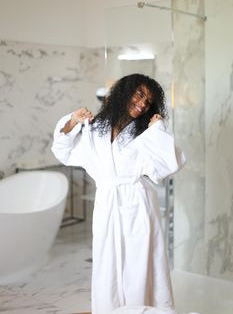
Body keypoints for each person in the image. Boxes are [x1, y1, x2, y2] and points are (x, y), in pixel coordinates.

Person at [51, 73, 186, 314]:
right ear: (124, 92)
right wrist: (73, 120)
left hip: (138, 203)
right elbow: (63, 150)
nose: (143, 103)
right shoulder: (94, 129)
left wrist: (158, 129)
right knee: (107, 264)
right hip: (107, 203)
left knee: (140, 263)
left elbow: (170, 164)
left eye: (148, 100)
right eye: (140, 94)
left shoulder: (146, 131)